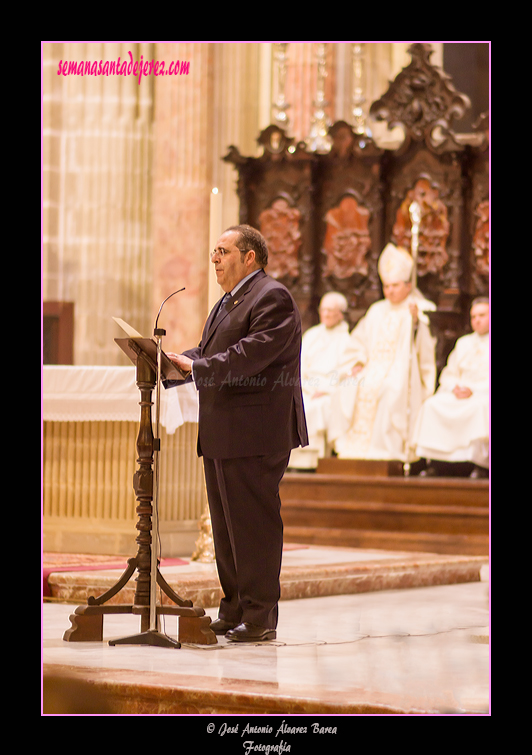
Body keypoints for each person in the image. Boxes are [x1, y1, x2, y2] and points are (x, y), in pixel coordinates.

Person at [165, 224, 308, 642]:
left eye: (222, 251)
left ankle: (260, 617)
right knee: (228, 528)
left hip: (256, 430)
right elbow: (211, 354)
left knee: (254, 527)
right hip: (226, 430)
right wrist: (173, 364)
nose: (214, 258)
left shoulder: (272, 297)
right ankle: (234, 609)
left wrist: (199, 367)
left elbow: (252, 353)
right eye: (214, 251)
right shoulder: (228, 302)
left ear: (250, 257)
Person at [328, 243, 436, 461]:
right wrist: (357, 362)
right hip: (371, 367)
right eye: (387, 286)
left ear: (408, 286)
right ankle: (353, 448)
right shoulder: (376, 310)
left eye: (395, 285)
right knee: (351, 385)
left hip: (401, 370)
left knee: (390, 390)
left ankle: (388, 451)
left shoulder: (415, 308)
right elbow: (359, 341)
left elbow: (421, 348)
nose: (390, 291)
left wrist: (415, 323)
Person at [414, 298, 489, 477]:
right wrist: (455, 388)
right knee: (432, 405)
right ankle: (436, 462)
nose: (477, 320)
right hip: (460, 391)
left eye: (482, 315)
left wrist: (475, 390)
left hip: (483, 393)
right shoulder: (463, 343)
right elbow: (449, 373)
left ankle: (479, 465)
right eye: (473, 316)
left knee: (478, 408)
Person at [289, 292, 351, 466]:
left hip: (329, 391)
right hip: (307, 387)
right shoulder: (312, 335)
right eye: (324, 310)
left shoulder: (346, 340)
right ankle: (293, 462)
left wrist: (325, 389)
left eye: (332, 310)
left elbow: (346, 372)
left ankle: (313, 462)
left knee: (315, 407)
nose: (327, 314)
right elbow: (298, 366)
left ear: (341, 313)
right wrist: (307, 387)